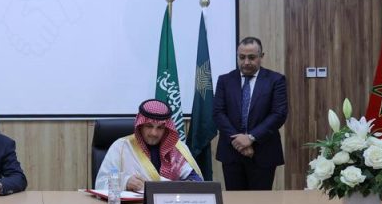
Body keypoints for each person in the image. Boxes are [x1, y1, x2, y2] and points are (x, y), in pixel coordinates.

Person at [213, 36, 288, 191]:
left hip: (263, 152)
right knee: (235, 202)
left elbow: (279, 114)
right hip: (232, 152)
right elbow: (218, 113)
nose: (246, 62)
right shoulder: (225, 80)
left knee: (260, 202)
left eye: (251, 57)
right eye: (242, 57)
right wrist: (239, 142)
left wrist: (251, 138)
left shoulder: (276, 80)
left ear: (261, 56)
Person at [95, 99, 203, 191]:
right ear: (140, 125)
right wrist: (125, 182)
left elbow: (197, 181)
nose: (154, 133)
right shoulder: (121, 147)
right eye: (149, 126)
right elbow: (101, 183)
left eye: (160, 128)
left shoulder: (177, 148)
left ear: (166, 129)